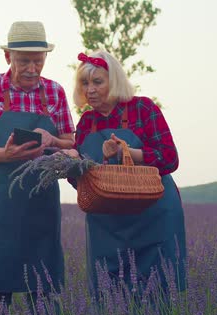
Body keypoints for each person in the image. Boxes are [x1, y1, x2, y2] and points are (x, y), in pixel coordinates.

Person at [0, 21, 75, 305]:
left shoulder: (55, 92)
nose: (32, 69)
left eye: (38, 61)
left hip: (41, 203)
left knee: (43, 290)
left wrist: (52, 141)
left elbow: (72, 143)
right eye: (24, 61)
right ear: (7, 57)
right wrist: (6, 154)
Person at [64, 50, 187, 301]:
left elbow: (169, 158)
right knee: (110, 295)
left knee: (157, 292)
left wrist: (130, 153)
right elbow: (81, 182)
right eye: (84, 83)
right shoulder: (87, 122)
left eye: (97, 82)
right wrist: (73, 164)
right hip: (107, 221)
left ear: (115, 81)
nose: (90, 90)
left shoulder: (143, 108)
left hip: (153, 214)